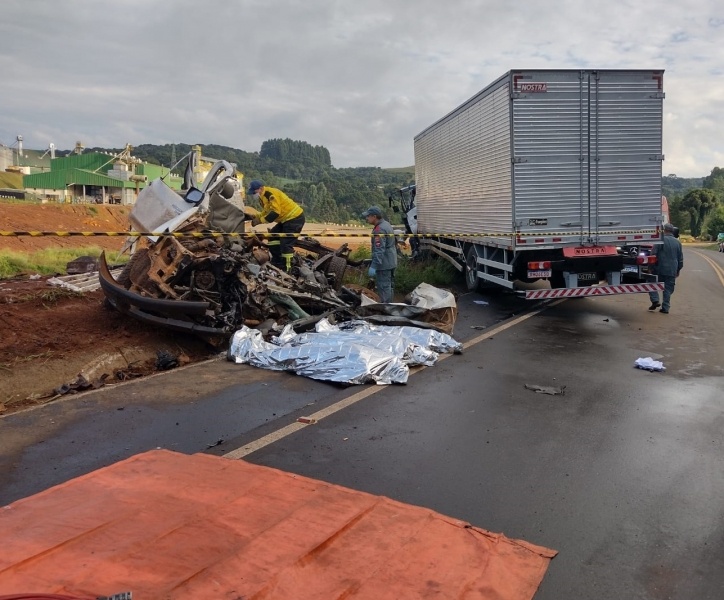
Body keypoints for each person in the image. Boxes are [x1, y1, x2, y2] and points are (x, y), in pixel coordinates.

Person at [246, 179, 305, 272]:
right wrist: (255, 216)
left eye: (254, 192)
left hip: (295, 218)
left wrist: (259, 221)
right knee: (273, 236)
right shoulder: (263, 197)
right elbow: (266, 211)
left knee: (286, 244)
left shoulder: (270, 194)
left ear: (260, 188)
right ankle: (277, 262)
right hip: (286, 220)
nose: (253, 194)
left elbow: (275, 213)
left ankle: (287, 269)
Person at [362, 205, 397, 303]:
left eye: (368, 216)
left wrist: (374, 265)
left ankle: (385, 309)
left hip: (384, 264)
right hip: (391, 261)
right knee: (389, 287)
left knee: (384, 288)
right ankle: (390, 306)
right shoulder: (387, 224)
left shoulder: (379, 230)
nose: (367, 218)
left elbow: (379, 250)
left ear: (374, 216)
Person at [648, 222, 683, 314]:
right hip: (672, 270)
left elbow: (653, 255)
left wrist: (650, 267)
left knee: (650, 282)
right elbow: (680, 258)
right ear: (672, 231)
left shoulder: (660, 240)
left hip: (659, 268)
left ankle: (655, 300)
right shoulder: (678, 243)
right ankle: (665, 308)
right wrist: (678, 269)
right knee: (668, 288)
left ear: (664, 230)